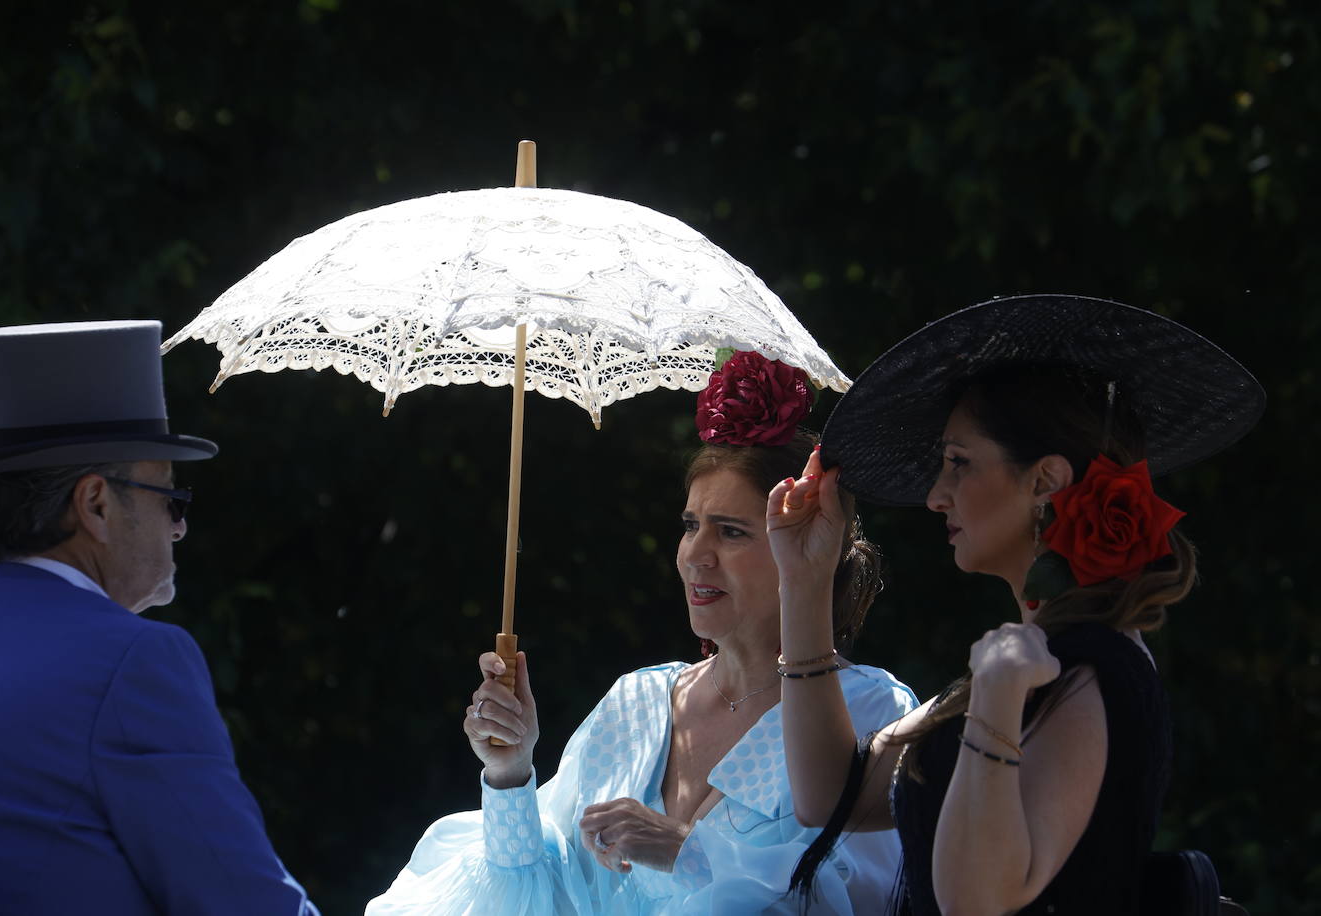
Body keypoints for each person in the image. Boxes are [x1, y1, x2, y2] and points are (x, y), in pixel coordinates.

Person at [365, 352, 917, 915]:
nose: (695, 556)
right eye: (690, 525)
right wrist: (510, 774)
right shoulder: (636, 703)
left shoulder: (870, 709)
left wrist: (687, 853)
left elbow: (855, 901)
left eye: (731, 532)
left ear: (804, 544)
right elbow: (547, 893)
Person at [766, 295, 1265, 914]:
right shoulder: (1042, 661)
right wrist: (806, 581)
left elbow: (975, 902)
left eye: (958, 462)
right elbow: (829, 796)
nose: (936, 496)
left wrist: (998, 693)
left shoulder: (1090, 673)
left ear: (1045, 482)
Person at [0, 321, 319, 914]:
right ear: (96, 504)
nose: (180, 525)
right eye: (169, 496)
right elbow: (242, 902)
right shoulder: (132, 661)